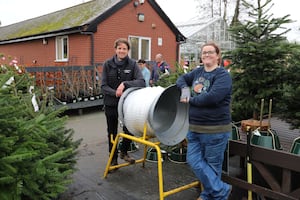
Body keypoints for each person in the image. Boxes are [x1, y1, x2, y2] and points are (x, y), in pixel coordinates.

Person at [176, 42, 232, 200]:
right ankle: (221, 190)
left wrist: (190, 100)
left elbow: (212, 98)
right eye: (204, 52)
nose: (207, 55)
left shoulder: (222, 76)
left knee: (213, 167)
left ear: (218, 56)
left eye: (210, 52)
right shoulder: (197, 72)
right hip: (194, 128)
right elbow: (181, 79)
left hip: (215, 130)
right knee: (193, 160)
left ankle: (208, 194)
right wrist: (185, 90)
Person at [101, 38, 146, 167]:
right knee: (112, 132)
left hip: (127, 105)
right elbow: (103, 85)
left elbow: (141, 82)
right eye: (119, 48)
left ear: (128, 51)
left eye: (124, 49)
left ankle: (124, 152)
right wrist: (115, 92)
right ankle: (113, 157)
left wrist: (125, 84)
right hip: (111, 104)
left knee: (129, 129)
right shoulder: (107, 64)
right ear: (115, 49)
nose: (122, 51)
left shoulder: (132, 64)